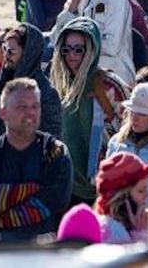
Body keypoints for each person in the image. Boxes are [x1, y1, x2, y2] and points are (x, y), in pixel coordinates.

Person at [0, 78, 73, 240]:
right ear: (3, 113)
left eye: (35, 106)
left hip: (42, 251)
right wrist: (31, 189)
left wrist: (0, 214)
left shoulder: (54, 151)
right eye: (22, 107)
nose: (30, 112)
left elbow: (56, 200)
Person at [50, 17, 128, 204]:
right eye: (66, 49)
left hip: (102, 184)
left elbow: (129, 128)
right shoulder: (58, 84)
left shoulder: (108, 84)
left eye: (79, 49)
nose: (72, 55)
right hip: (66, 182)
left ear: (91, 50)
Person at [0, 25, 62, 138]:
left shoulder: (47, 93)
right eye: (5, 49)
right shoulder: (2, 86)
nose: (6, 56)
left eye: (12, 52)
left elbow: (53, 140)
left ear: (27, 55)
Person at [94, 152, 148, 244]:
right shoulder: (114, 232)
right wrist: (142, 238)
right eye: (141, 191)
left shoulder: (123, 227)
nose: (147, 196)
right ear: (121, 196)